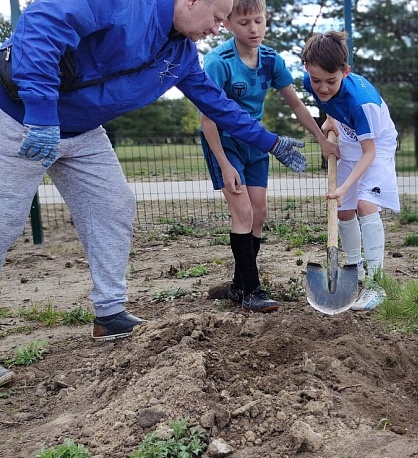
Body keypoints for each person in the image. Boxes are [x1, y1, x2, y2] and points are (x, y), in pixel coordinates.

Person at [0, 0, 307, 340]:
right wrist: (41, 110)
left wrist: (271, 143)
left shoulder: (182, 56)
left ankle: (109, 313)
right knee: (3, 220)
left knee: (114, 206)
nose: (217, 30)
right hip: (18, 116)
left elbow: (220, 107)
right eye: (217, 18)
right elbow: (44, 22)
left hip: (83, 130)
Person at [200, 0, 338, 313]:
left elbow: (297, 105)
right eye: (244, 22)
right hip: (224, 142)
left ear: (266, 20)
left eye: (259, 21)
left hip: (256, 142)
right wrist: (224, 164)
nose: (253, 29)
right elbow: (207, 119)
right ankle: (252, 291)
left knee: (259, 213)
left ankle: (238, 285)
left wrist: (321, 140)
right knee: (243, 212)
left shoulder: (270, 60)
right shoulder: (218, 61)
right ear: (229, 23)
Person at [301, 31, 400, 311]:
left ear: (346, 72)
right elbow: (329, 101)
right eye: (316, 80)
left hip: (375, 144)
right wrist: (331, 119)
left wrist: (346, 188)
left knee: (365, 204)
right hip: (349, 134)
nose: (322, 87)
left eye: (331, 81)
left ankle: (376, 284)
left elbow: (369, 152)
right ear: (307, 69)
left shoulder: (361, 103)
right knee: (344, 210)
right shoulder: (314, 83)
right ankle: (353, 268)